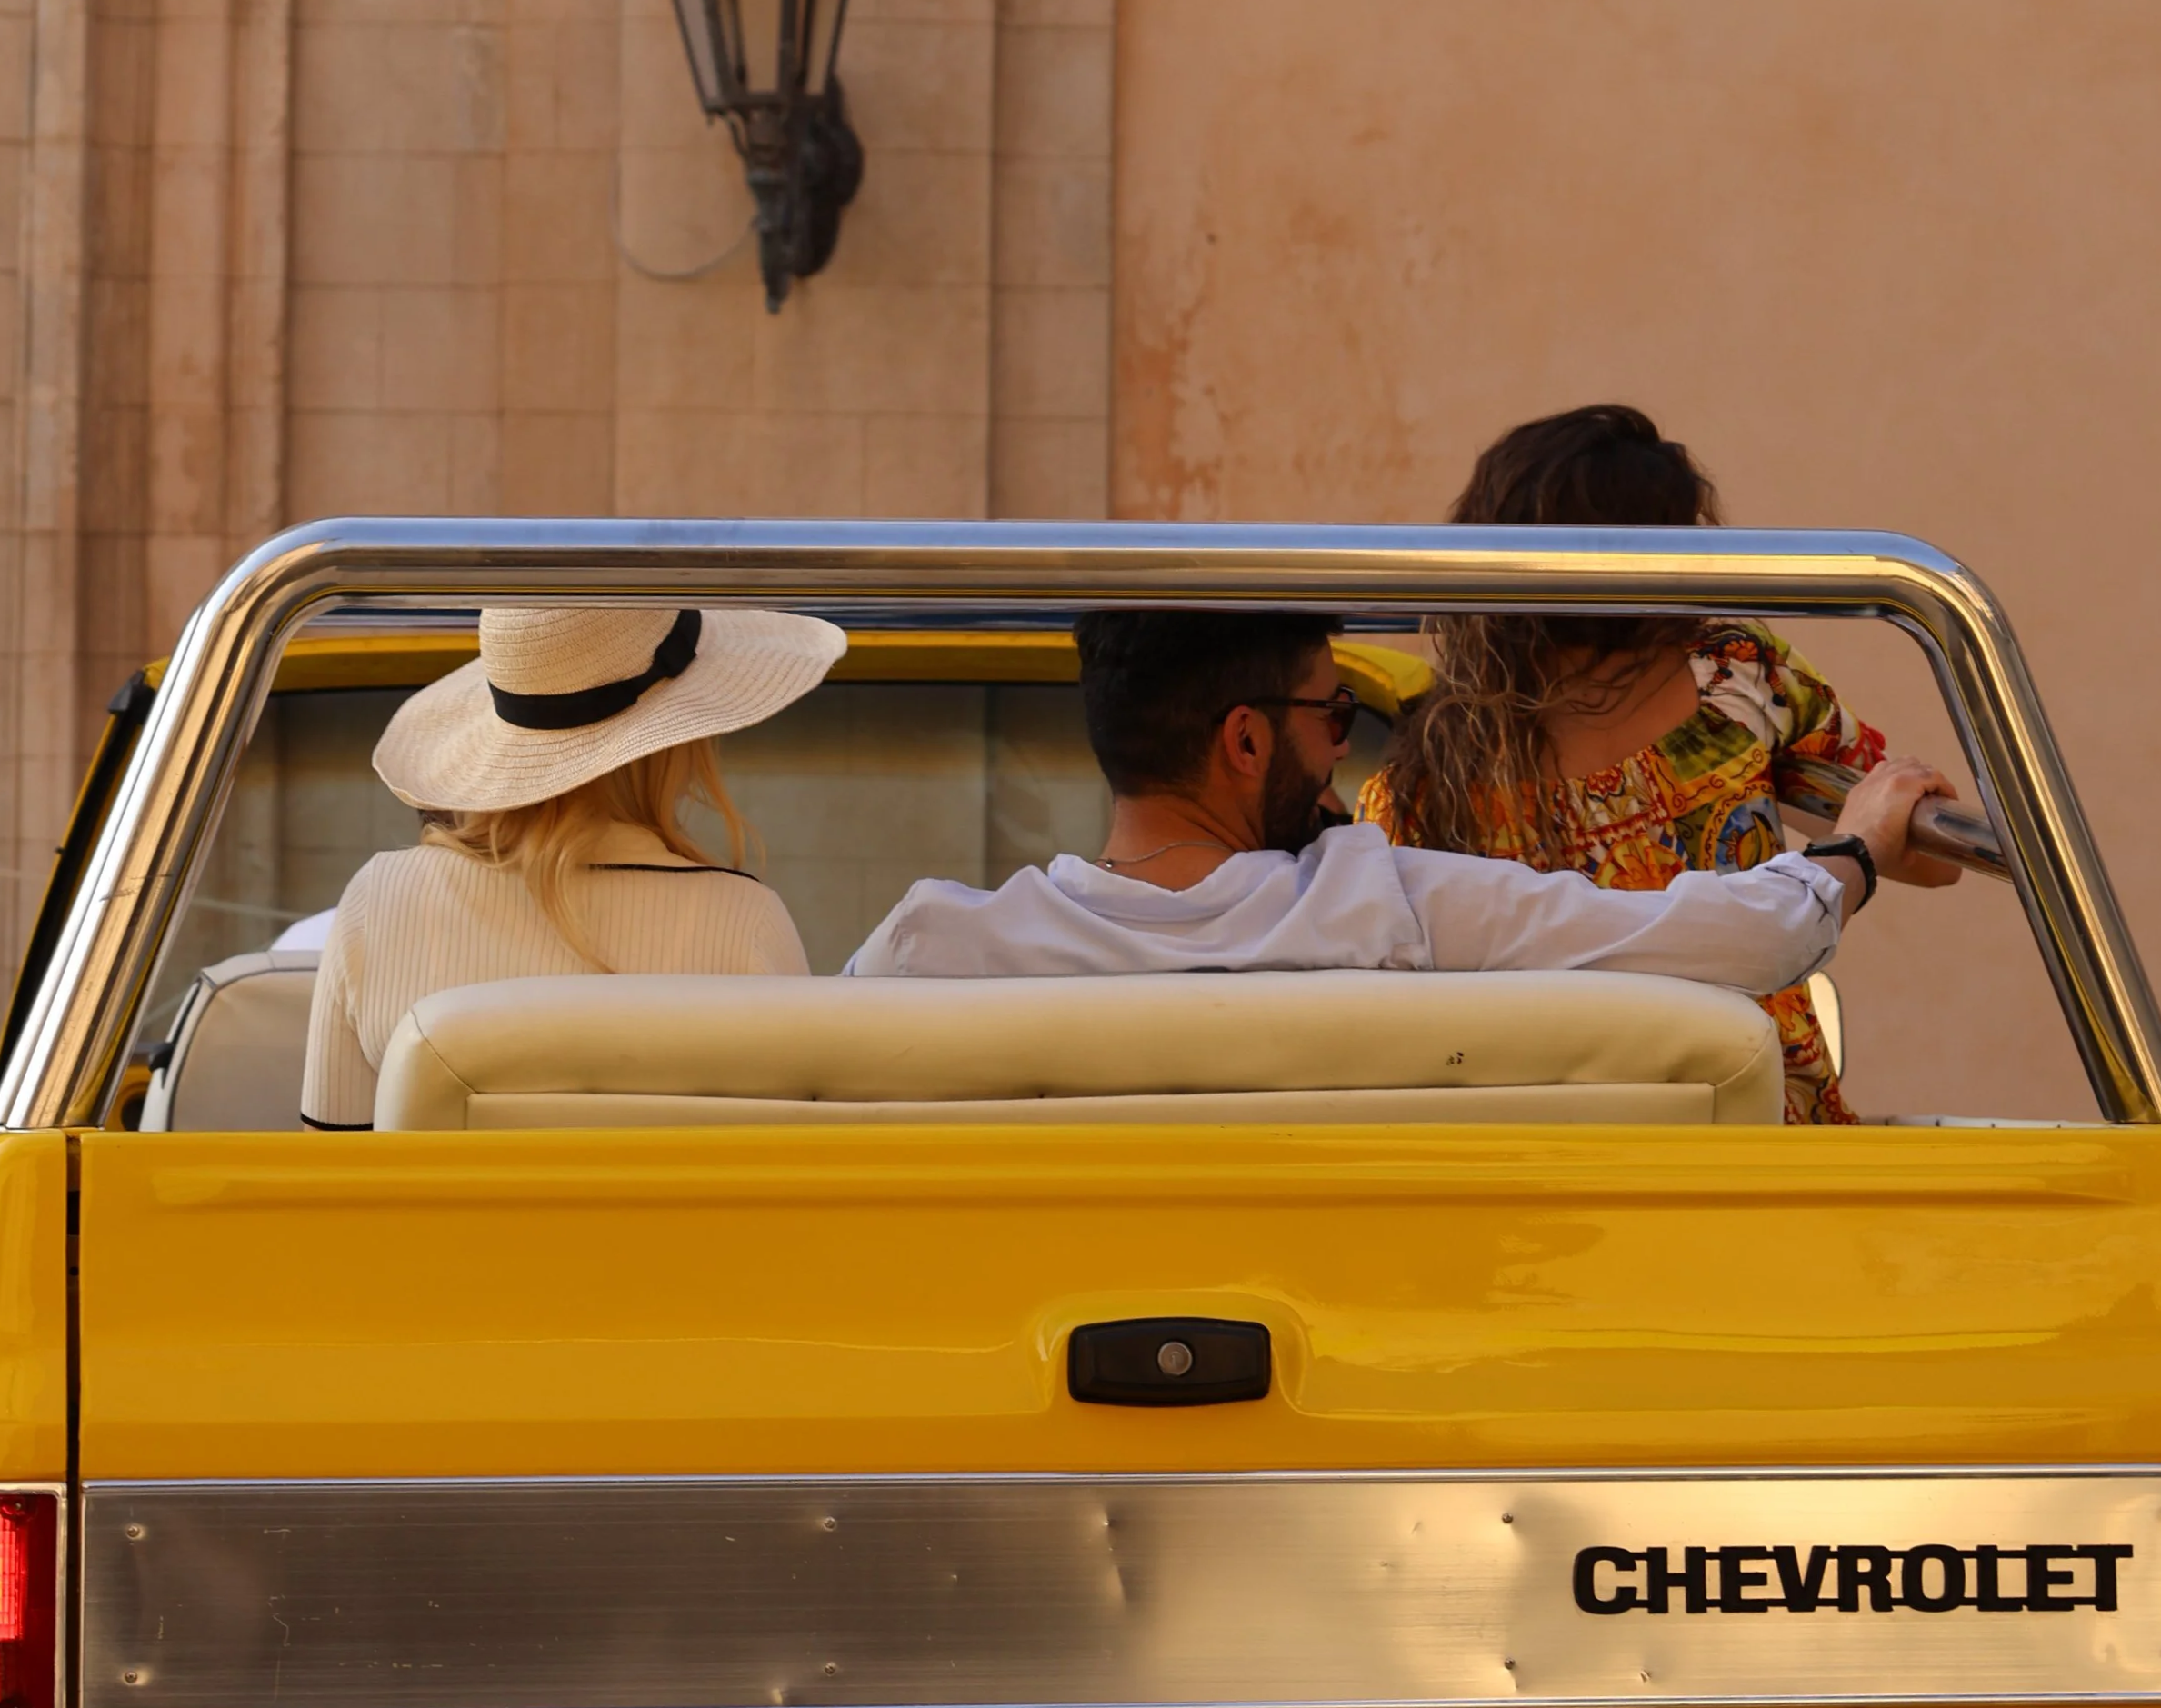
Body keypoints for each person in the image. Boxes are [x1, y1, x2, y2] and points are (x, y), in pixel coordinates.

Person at [1356, 402, 1958, 1122]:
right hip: (1768, 1126)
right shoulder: (1735, 675)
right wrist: (1877, 824)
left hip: (1549, 1161)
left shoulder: (1419, 779)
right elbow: (1931, 859)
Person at [845, 606, 1954, 989]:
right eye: (1330, 718)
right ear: (1245, 739)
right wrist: (1854, 847)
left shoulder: (936, 946)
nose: (1339, 755)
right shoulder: (1390, 906)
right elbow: (1727, 940)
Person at [301, 602, 843, 1127]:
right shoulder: (743, 921)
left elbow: (331, 1173)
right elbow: (782, 1182)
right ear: (678, 744)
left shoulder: (380, 902)